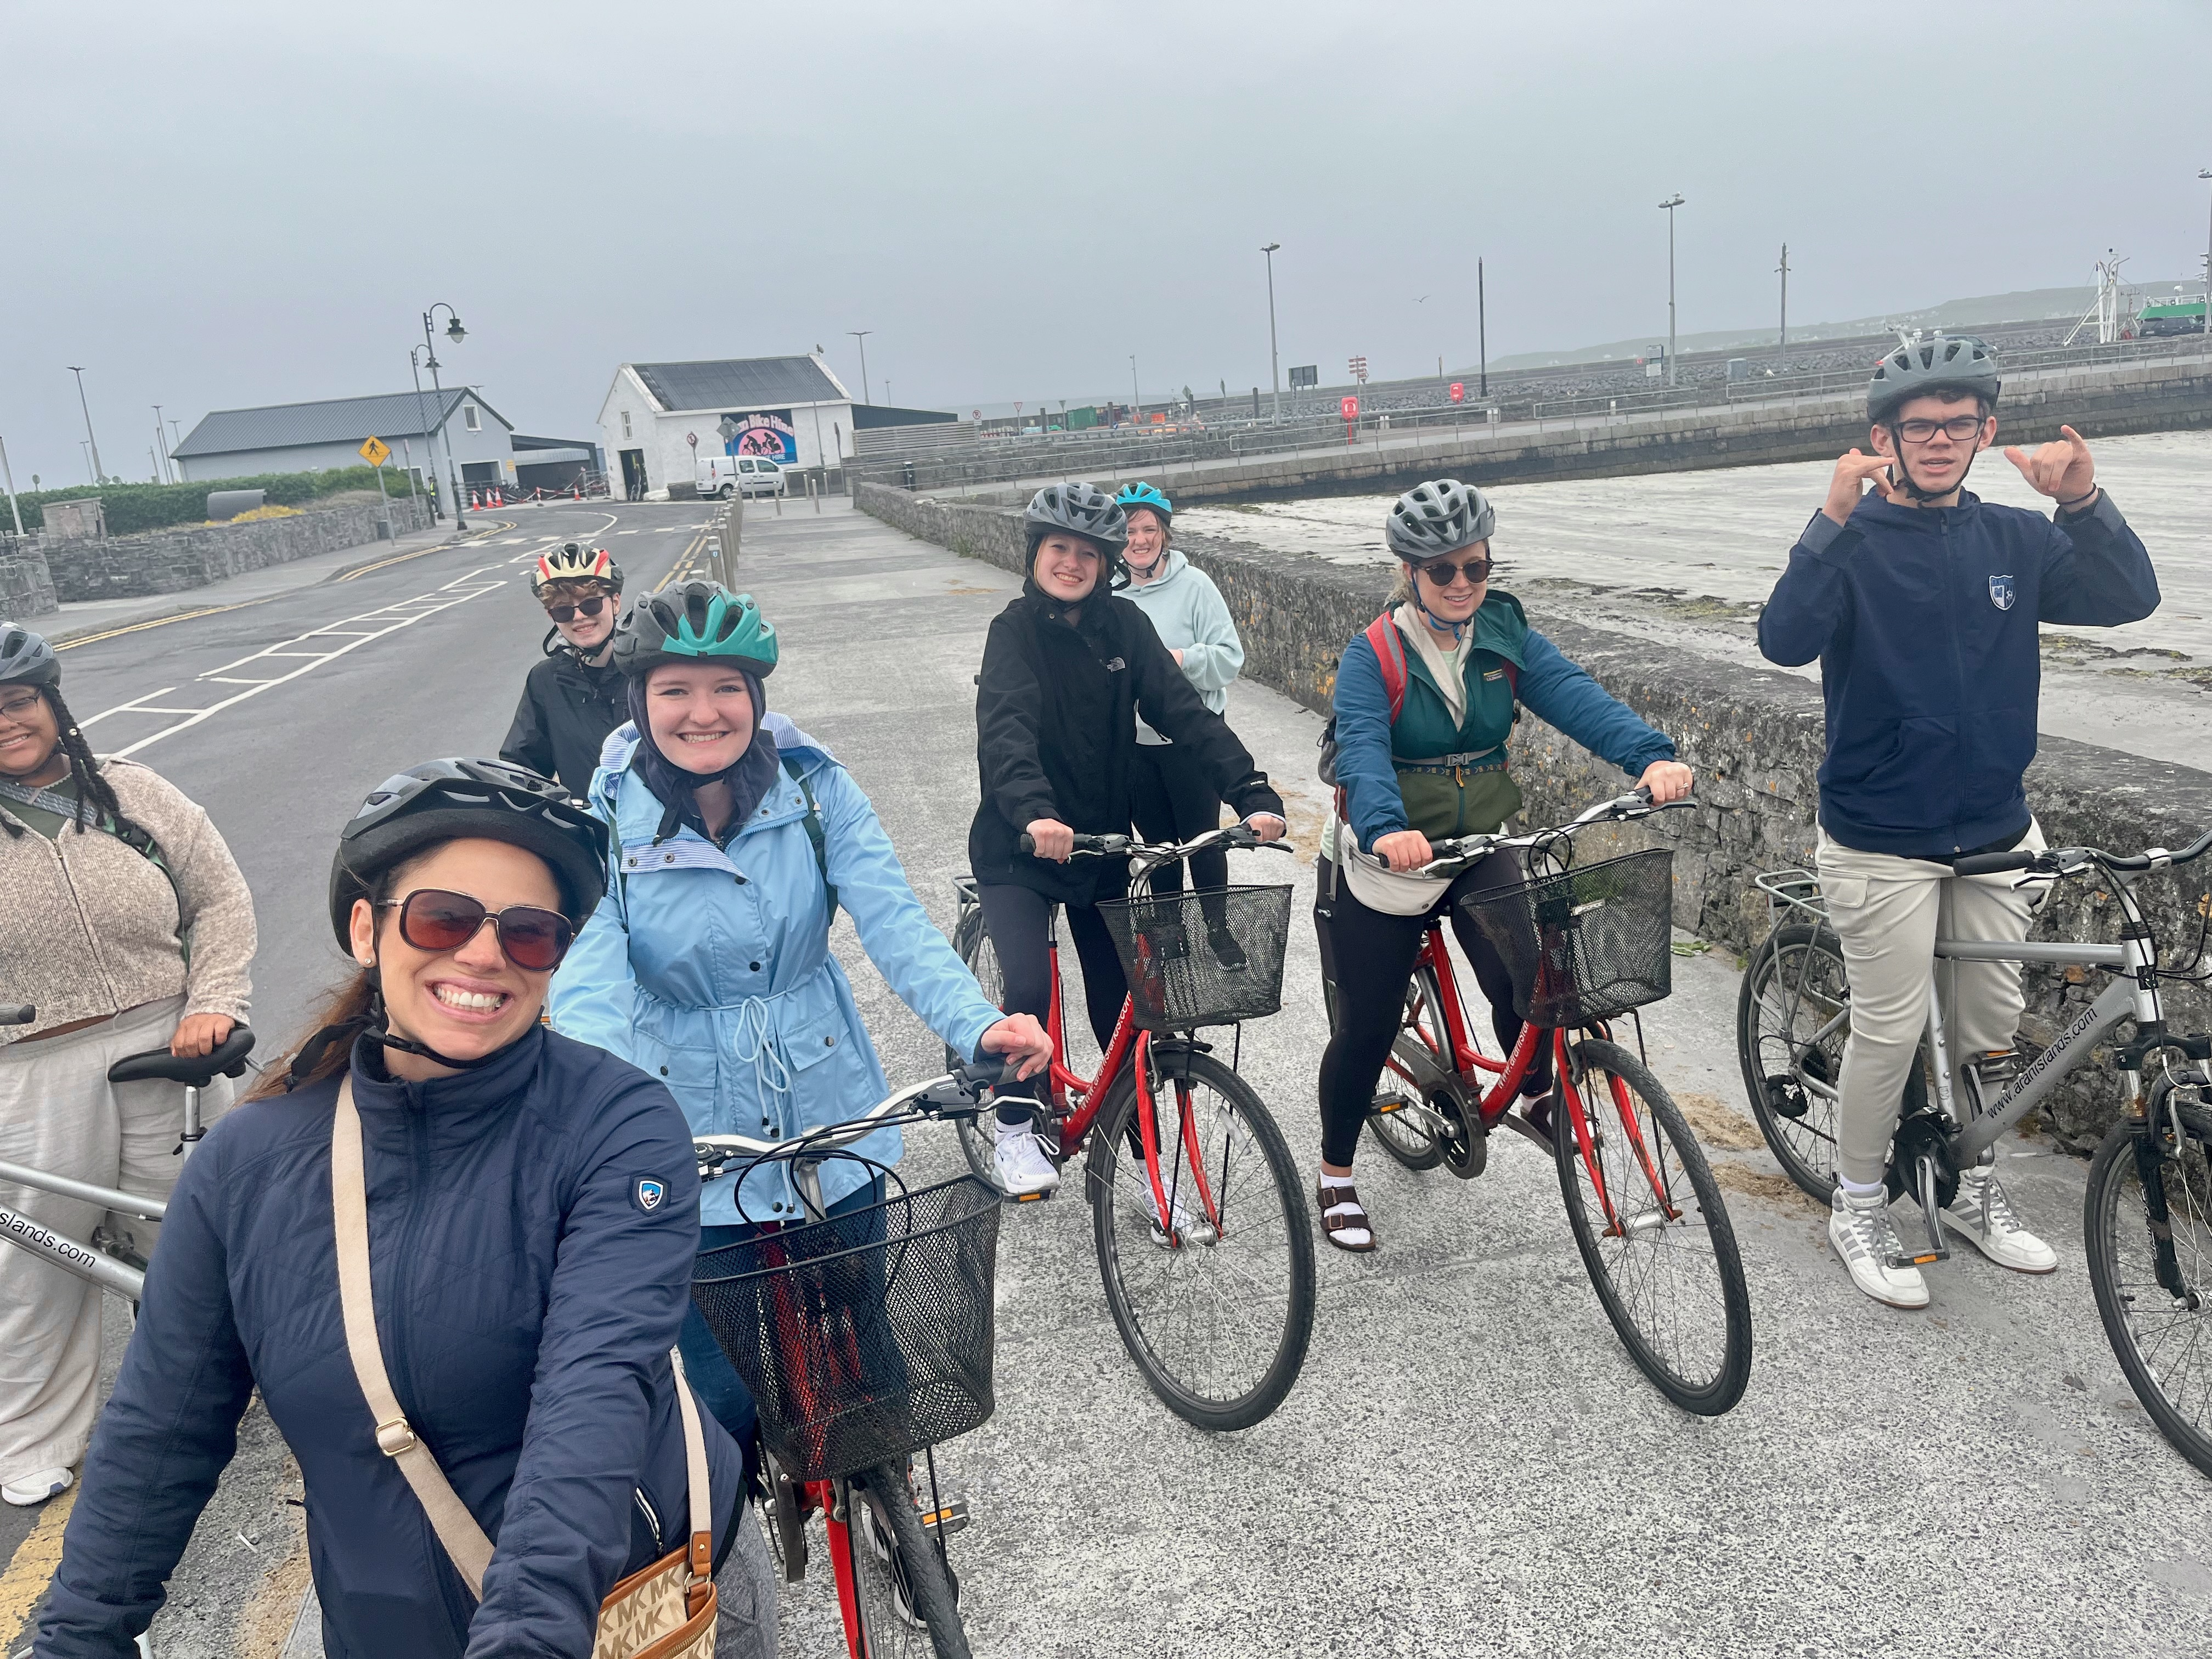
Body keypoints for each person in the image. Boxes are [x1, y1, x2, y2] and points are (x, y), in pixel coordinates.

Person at [34, 757, 780, 1658]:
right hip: (385, 1628)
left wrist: (527, 1637)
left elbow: (591, 1398)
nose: (483, 954)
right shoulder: (246, 1165)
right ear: (367, 928)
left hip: (635, 1604)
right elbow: (161, 1430)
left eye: (530, 933)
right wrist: (76, 1635)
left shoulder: (616, 1126)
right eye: (443, 916)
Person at [547, 580, 1051, 1446]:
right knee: (724, 1399)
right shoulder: (603, 819)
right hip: (686, 1124)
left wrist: (977, 1022)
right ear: (640, 701)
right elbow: (590, 976)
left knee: (875, 1354)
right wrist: (599, 1105)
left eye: (726, 688)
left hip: (828, 1099)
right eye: (675, 690)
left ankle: (887, 1502)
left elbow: (893, 921)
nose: (703, 712)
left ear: (755, 697)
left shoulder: (815, 790)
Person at [1758, 335, 2160, 1310]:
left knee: (1986, 1030)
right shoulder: (1852, 541)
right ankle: (1858, 1203)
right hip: (1880, 834)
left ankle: (1971, 1182)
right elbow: (1783, 639)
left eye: (1958, 423)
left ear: (1986, 431)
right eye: (1918, 425)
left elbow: (2128, 598)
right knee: (1891, 1028)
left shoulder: (2015, 539)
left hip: (1992, 826)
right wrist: (1828, 521)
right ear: (1883, 438)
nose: (1938, 440)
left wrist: (2082, 502)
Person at [1313, 480, 1690, 1253]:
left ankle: (1538, 1094)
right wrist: (1386, 829)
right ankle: (1336, 1173)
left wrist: (1649, 756)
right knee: (1368, 1025)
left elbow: (1575, 696)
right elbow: (1363, 748)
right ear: (1409, 573)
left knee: (1537, 976)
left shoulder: (1504, 633)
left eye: (1475, 567)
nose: (1461, 584)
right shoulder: (1373, 653)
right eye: (1441, 570)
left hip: (1481, 840)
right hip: (1391, 863)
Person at [969, 483, 1288, 1198]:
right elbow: (1007, 732)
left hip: (1101, 847)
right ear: (1035, 554)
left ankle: (1143, 1158)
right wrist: (1034, 814)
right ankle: (1015, 1124)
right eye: (1059, 548)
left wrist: (1250, 790)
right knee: (1029, 989)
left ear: (1108, 563)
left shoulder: (1125, 628)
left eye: (1088, 553)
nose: (1072, 563)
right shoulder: (1012, 632)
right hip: (1020, 848)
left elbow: (1186, 713)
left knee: (1127, 1006)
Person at [0, 622, 256, 1511]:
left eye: (19, 701)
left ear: (52, 703)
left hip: (168, 1042)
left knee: (193, 1237)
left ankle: (233, 1379)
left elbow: (219, 897)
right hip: (31, 1065)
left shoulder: (133, 791)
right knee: (36, 1263)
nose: (8, 721)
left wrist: (215, 998)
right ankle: (33, 1437)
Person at [1114, 481, 1250, 969]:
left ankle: (1218, 928)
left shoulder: (1196, 586)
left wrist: (1178, 660)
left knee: (1202, 838)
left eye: (1149, 529)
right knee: (1157, 844)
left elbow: (1230, 659)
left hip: (1193, 738)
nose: (1140, 540)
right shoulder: (1109, 594)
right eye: (1129, 531)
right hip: (1134, 742)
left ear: (1165, 535)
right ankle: (1170, 928)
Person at [500, 543, 629, 799]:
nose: (579, 617)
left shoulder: (649, 669)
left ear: (615, 603)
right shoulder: (545, 680)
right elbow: (522, 771)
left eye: (591, 604)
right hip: (585, 823)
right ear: (552, 617)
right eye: (563, 610)